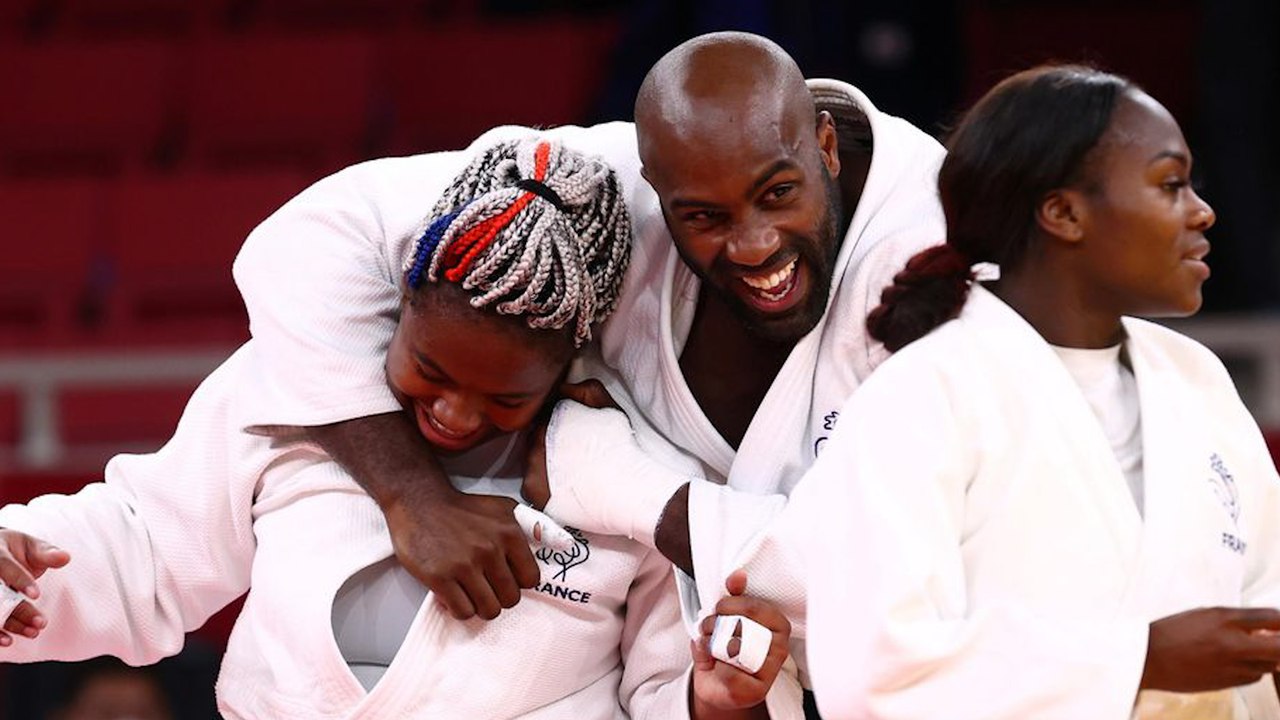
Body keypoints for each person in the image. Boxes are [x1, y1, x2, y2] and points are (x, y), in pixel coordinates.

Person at [227, 33, 945, 690]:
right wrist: (413, 497)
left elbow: (892, 589)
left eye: (778, 195)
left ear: (825, 146)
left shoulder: (942, 270)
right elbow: (300, 245)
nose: (753, 245)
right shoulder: (611, 193)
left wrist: (631, 491)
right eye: (704, 217)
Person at [0, 138, 797, 718]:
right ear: (402, 304)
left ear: (569, 359)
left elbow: (658, 693)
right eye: (431, 370)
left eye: (503, 398)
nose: (454, 413)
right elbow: (143, 547)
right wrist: (18, 561)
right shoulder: (296, 388)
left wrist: (712, 701)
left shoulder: (636, 462)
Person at [789, 65, 1280, 718]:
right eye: (1170, 184)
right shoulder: (919, 398)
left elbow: (1262, 608)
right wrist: (1139, 660)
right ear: (1063, 212)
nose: (1202, 211)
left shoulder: (1194, 378)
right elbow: (873, 672)